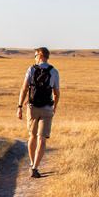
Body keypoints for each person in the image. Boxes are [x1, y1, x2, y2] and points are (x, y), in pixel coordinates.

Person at [16, 47, 60, 178]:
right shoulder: (54, 71)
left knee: (32, 136)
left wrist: (19, 107)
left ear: (40, 56)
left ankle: (31, 163)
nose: (34, 57)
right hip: (47, 108)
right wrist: (55, 106)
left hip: (32, 107)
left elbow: (24, 89)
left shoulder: (31, 69)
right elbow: (57, 93)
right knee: (42, 139)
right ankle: (35, 167)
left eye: (35, 55)